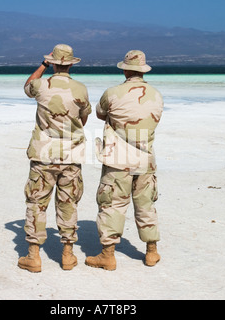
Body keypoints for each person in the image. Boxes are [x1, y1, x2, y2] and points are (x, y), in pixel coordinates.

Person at [85, 50, 164, 271]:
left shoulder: (112, 92)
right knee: (146, 204)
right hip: (146, 159)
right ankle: (151, 252)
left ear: (125, 69)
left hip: (118, 160)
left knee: (112, 204)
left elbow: (100, 113)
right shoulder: (157, 95)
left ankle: (107, 255)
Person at [19, 44, 92, 273]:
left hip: (43, 155)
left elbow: (27, 86)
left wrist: (42, 65)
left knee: (37, 203)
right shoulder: (80, 89)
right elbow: (83, 120)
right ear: (71, 63)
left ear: (53, 61)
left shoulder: (41, 85)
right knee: (68, 203)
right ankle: (68, 255)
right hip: (71, 156)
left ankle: (33, 256)